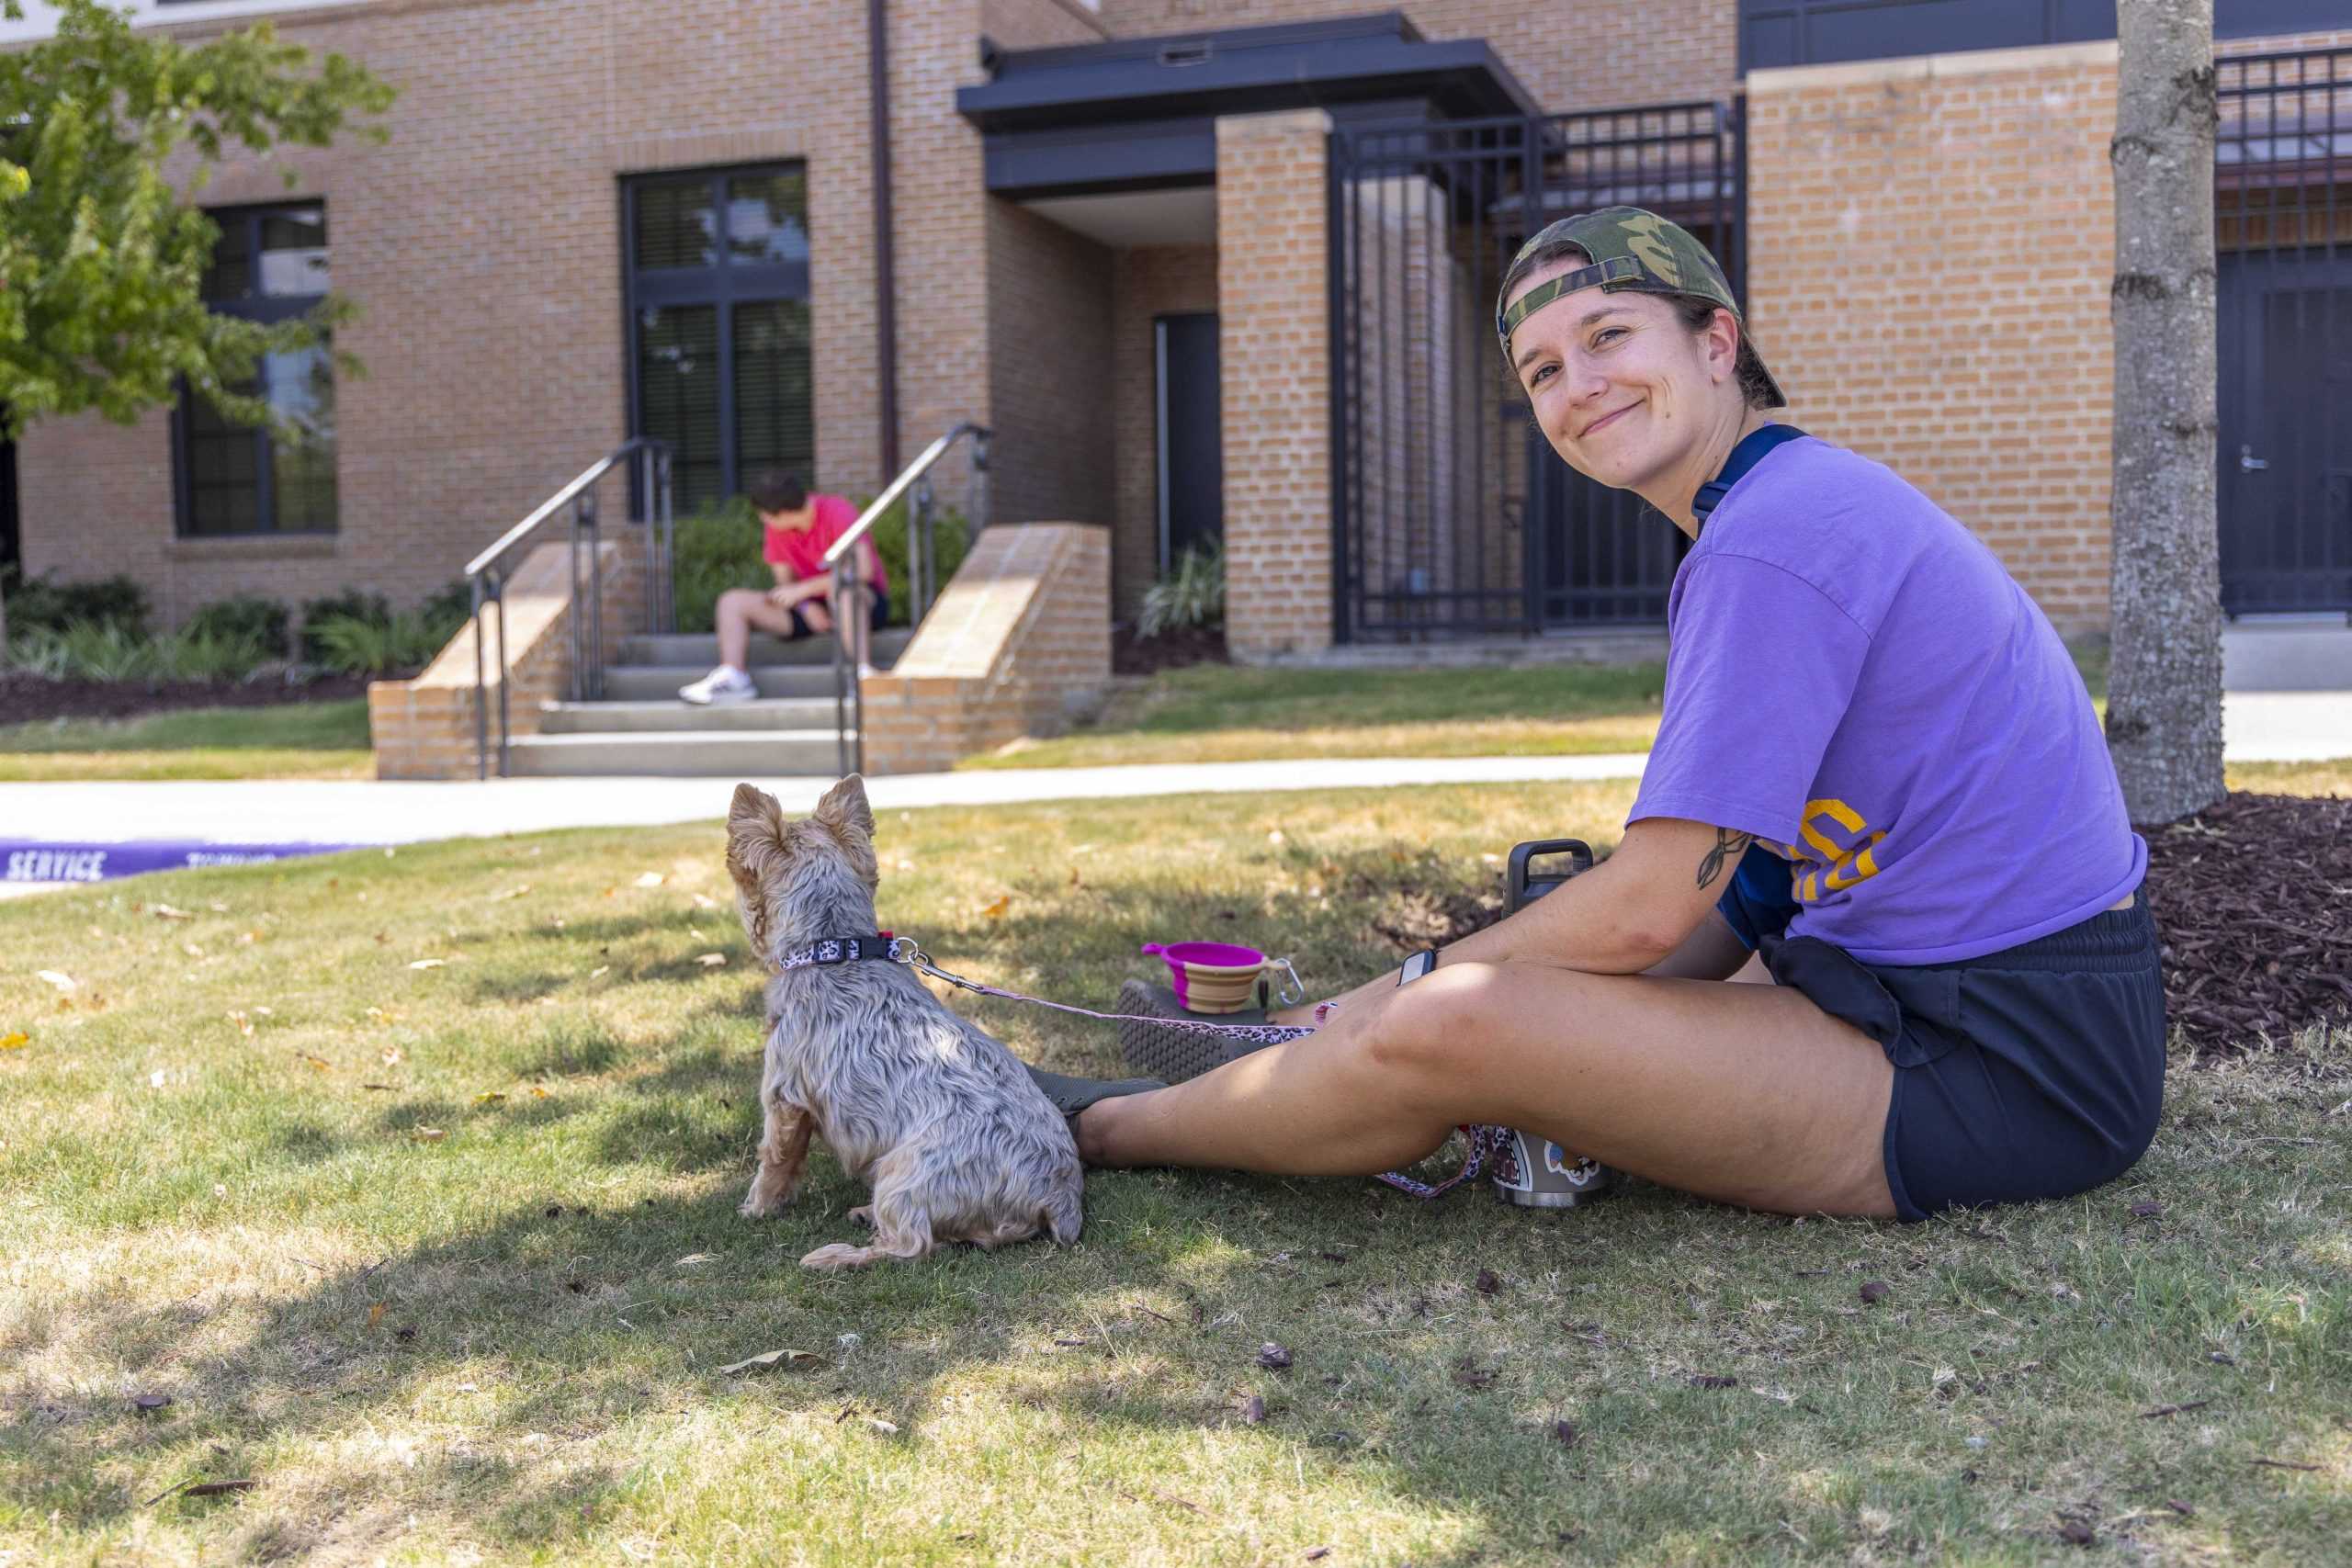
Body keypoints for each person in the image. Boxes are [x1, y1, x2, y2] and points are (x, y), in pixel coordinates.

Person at [1033, 206, 2165, 1224]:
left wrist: (1412, 999)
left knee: (1452, 1021)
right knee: (1490, 1007)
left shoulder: (1773, 538)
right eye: (1540, 372)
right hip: (1921, 993)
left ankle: (1096, 1124)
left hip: (2009, 1067)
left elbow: (1645, 912)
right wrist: (1526, 1020)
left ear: (1716, 344)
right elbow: (1744, 889)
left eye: (1609, 336)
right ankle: (1260, 1061)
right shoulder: (1785, 505)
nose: (1577, 386)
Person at [679, 468, 890, 705]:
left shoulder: (838, 511)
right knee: (732, 601)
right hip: (808, 608)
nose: (763, 520)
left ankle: (863, 675)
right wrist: (806, 607)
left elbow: (863, 571)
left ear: (784, 513)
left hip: (861, 602)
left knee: (845, 593)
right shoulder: (776, 529)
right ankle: (734, 677)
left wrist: (805, 590)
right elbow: (784, 583)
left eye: (765, 515)